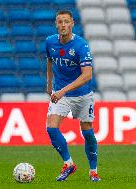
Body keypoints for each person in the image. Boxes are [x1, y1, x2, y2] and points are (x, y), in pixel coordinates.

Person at [45, 10, 100, 182]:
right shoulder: (50, 42)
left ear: (72, 24)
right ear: (56, 24)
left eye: (66, 22)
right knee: (51, 127)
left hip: (82, 95)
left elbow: (87, 75)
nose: (63, 25)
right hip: (60, 92)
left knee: (87, 132)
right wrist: (49, 84)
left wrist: (63, 91)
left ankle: (93, 171)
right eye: (60, 22)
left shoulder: (81, 45)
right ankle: (69, 164)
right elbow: (50, 60)